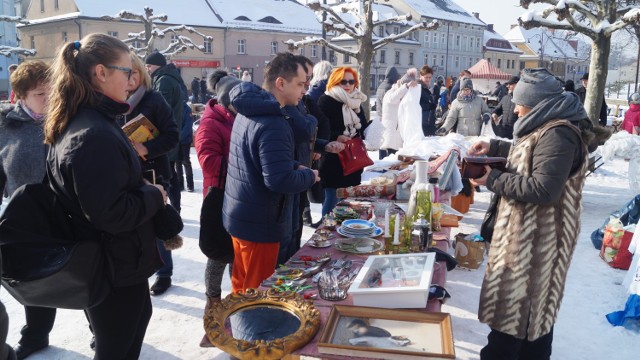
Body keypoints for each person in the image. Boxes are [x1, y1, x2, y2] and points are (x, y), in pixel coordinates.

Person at [45, 33, 166, 359]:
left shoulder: (91, 122)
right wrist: (154, 195)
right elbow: (111, 214)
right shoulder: (92, 134)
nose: (132, 80)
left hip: (117, 260)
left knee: (132, 325)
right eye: (127, 71)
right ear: (101, 72)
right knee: (116, 346)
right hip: (112, 264)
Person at [467, 68, 597, 359]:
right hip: (527, 239)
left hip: (536, 245)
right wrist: (496, 146)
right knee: (525, 327)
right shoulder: (548, 127)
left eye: (519, 102)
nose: (514, 108)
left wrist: (493, 180)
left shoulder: (559, 133)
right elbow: (534, 156)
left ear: (536, 103)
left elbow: (544, 188)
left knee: (516, 328)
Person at [222, 52, 319, 293]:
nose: (303, 91)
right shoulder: (273, 120)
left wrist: (292, 165)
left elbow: (258, 161)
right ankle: (249, 331)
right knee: (258, 294)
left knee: (242, 289)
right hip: (260, 222)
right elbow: (278, 180)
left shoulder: (250, 109)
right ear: (280, 83)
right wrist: (309, 176)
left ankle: (238, 328)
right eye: (300, 84)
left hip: (243, 216)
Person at [0, 61, 53, 360]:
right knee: (36, 281)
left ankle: (99, 330)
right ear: (20, 96)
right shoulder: (6, 127)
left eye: (52, 91)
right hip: (25, 219)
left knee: (81, 275)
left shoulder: (65, 120)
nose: (48, 98)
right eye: (39, 93)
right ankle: (36, 335)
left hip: (68, 214)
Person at [194, 70, 241, 347]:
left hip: (238, 195)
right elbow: (208, 160)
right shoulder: (211, 122)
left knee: (236, 252)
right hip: (218, 195)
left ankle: (235, 308)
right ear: (226, 100)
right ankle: (212, 310)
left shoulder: (237, 116)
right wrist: (243, 167)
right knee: (218, 253)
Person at [145, 51, 185, 295]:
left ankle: (164, 273)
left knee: (159, 214)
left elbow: (168, 129)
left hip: (154, 161)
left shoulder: (162, 86)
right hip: (143, 163)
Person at [317, 67, 369, 216]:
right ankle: (327, 232)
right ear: (335, 82)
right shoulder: (325, 100)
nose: (347, 85)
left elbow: (362, 126)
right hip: (334, 160)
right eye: (343, 81)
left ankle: (345, 232)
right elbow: (320, 130)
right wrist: (336, 137)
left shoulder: (356, 100)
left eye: (351, 81)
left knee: (349, 203)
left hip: (353, 159)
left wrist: (371, 130)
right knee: (332, 201)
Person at [380, 68, 419, 156]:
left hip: (397, 138)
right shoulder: (391, 93)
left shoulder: (403, 96)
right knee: (387, 164)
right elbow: (392, 99)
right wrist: (406, 86)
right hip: (390, 137)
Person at [375, 66, 400, 159]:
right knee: (389, 146)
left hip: (380, 117)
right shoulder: (390, 88)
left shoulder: (380, 86)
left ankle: (381, 162)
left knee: (382, 144)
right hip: (388, 119)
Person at [175, 104, 195, 192]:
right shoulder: (173, 107)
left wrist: (178, 137)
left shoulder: (187, 109)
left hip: (184, 141)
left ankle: (190, 184)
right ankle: (180, 184)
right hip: (175, 141)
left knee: (186, 161)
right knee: (177, 163)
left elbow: (188, 126)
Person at [418, 65, 437, 136]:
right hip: (422, 123)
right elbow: (416, 105)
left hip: (428, 121)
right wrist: (430, 106)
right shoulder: (418, 88)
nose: (428, 79)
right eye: (426, 77)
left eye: (430, 77)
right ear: (421, 76)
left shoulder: (426, 88)